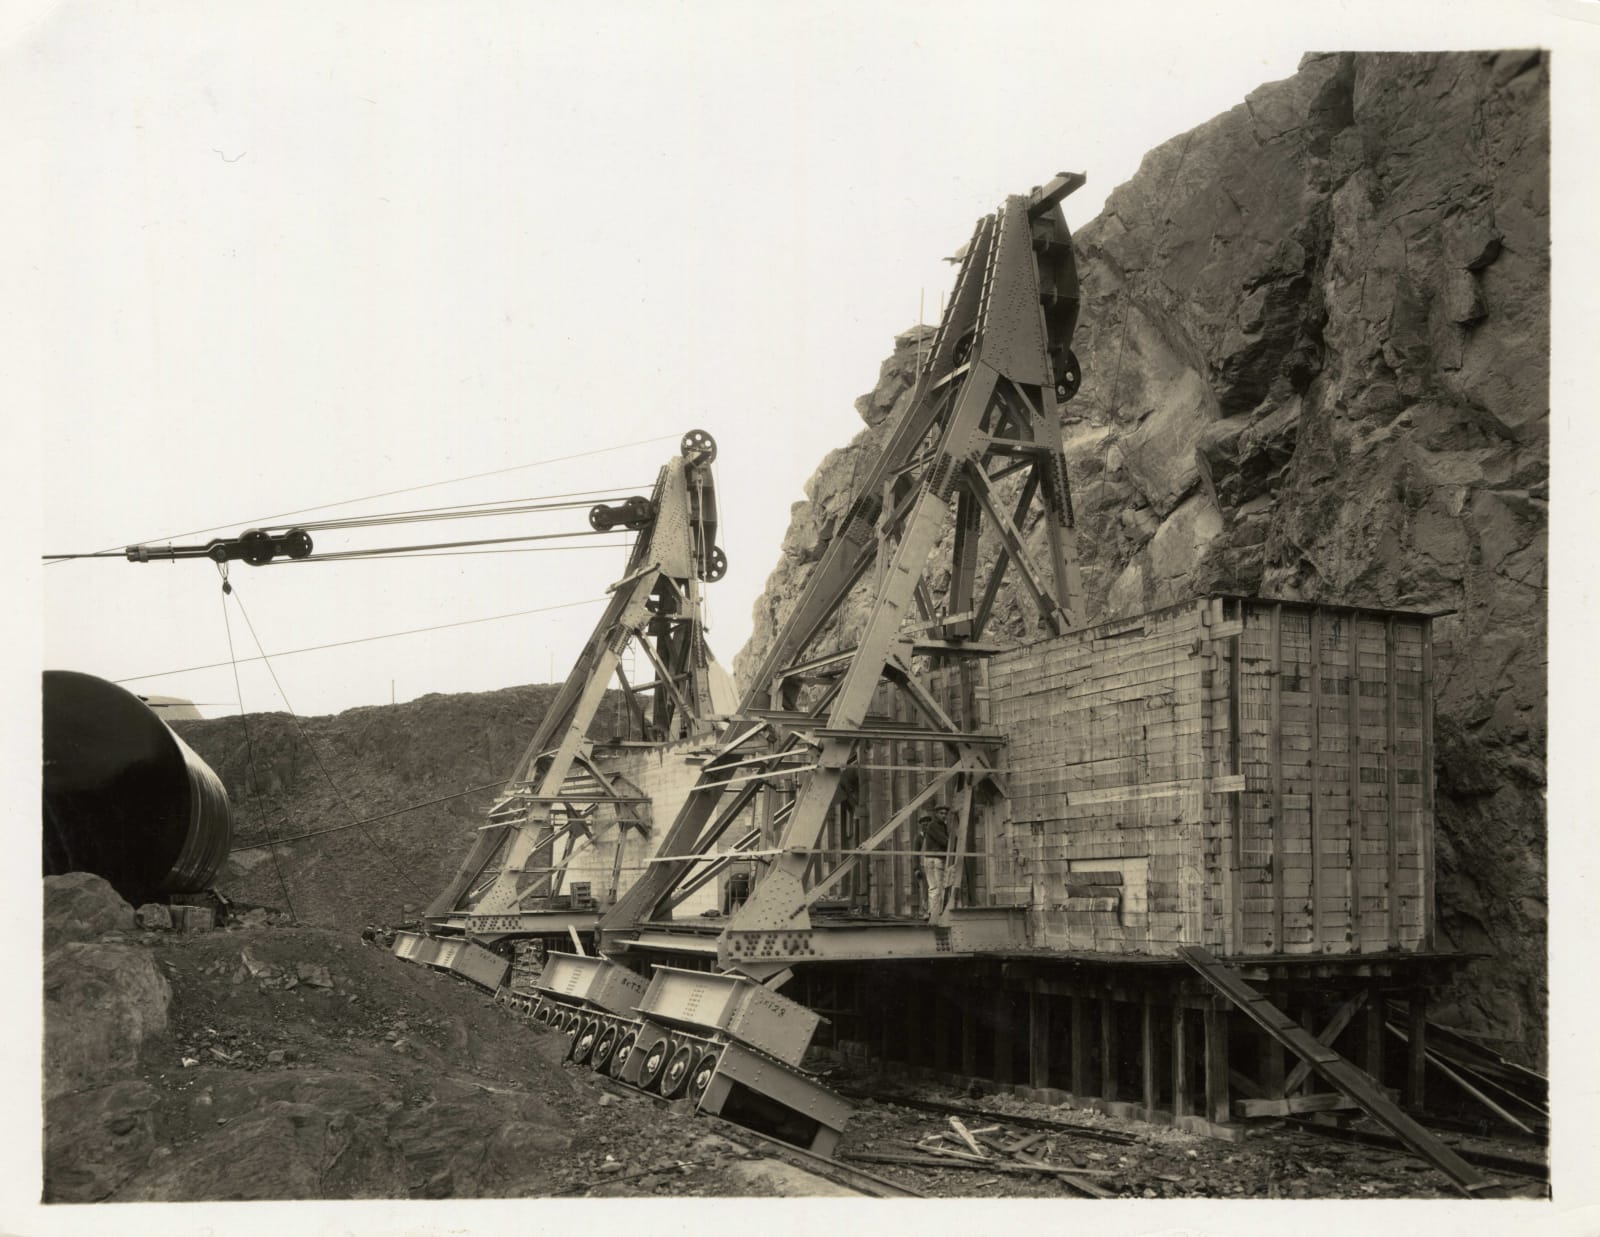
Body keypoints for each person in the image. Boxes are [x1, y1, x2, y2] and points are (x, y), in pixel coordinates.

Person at [918, 805, 952, 919]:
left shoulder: (937, 826)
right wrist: (955, 843)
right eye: (941, 813)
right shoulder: (935, 825)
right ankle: (936, 913)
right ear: (936, 814)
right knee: (938, 887)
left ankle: (932, 912)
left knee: (933, 887)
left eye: (945, 813)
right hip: (936, 859)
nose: (944, 815)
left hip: (930, 859)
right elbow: (944, 841)